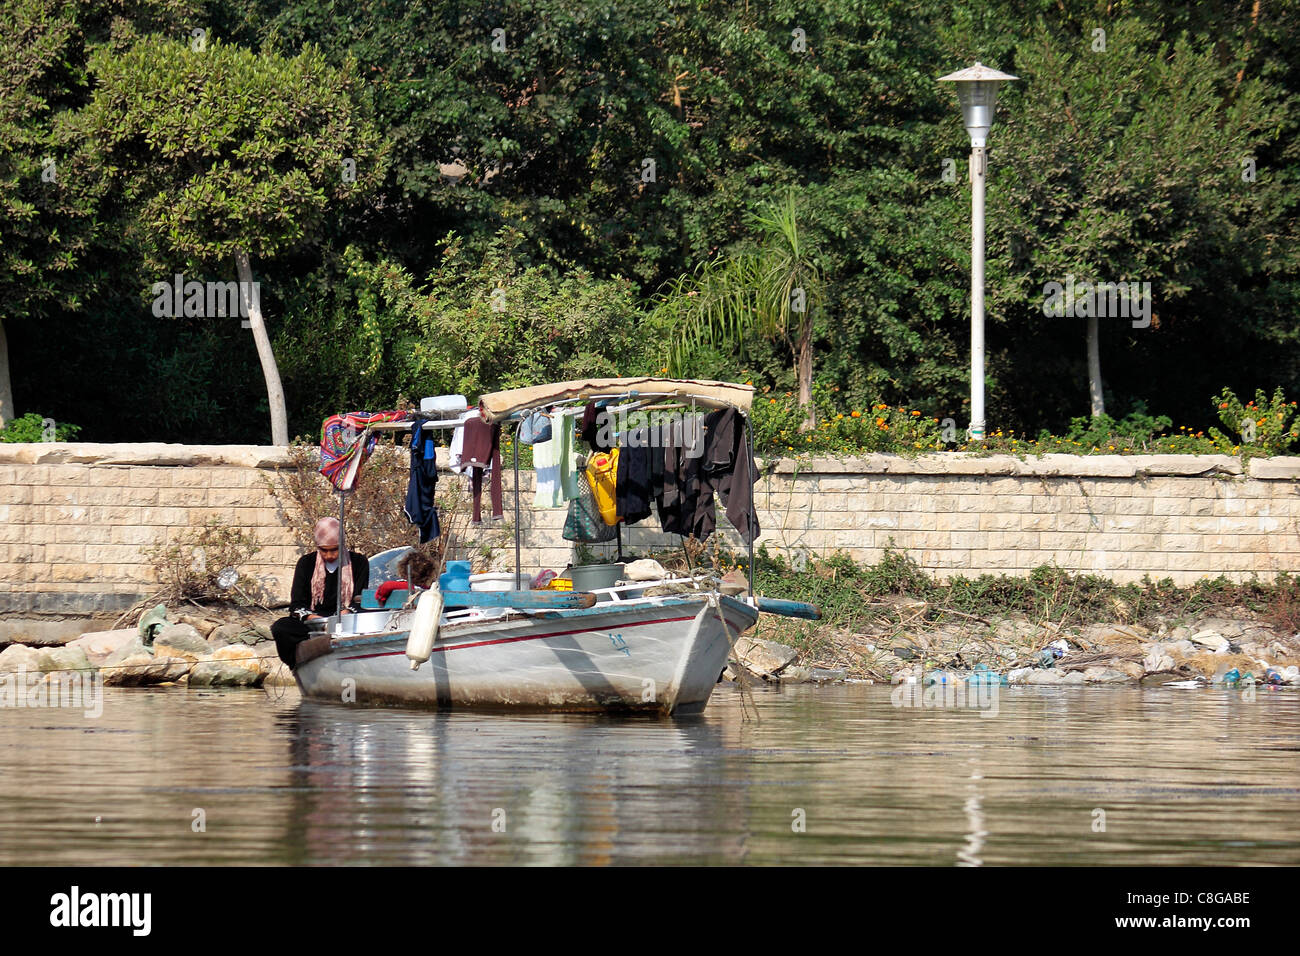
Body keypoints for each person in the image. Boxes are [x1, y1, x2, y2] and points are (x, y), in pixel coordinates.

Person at [271, 517, 370, 667]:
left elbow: (360, 599)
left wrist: (344, 614)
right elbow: (297, 604)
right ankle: (298, 665)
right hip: (315, 622)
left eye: (334, 550)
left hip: (346, 619)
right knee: (281, 627)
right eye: (324, 550)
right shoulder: (306, 563)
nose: (329, 556)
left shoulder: (358, 562)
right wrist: (313, 617)